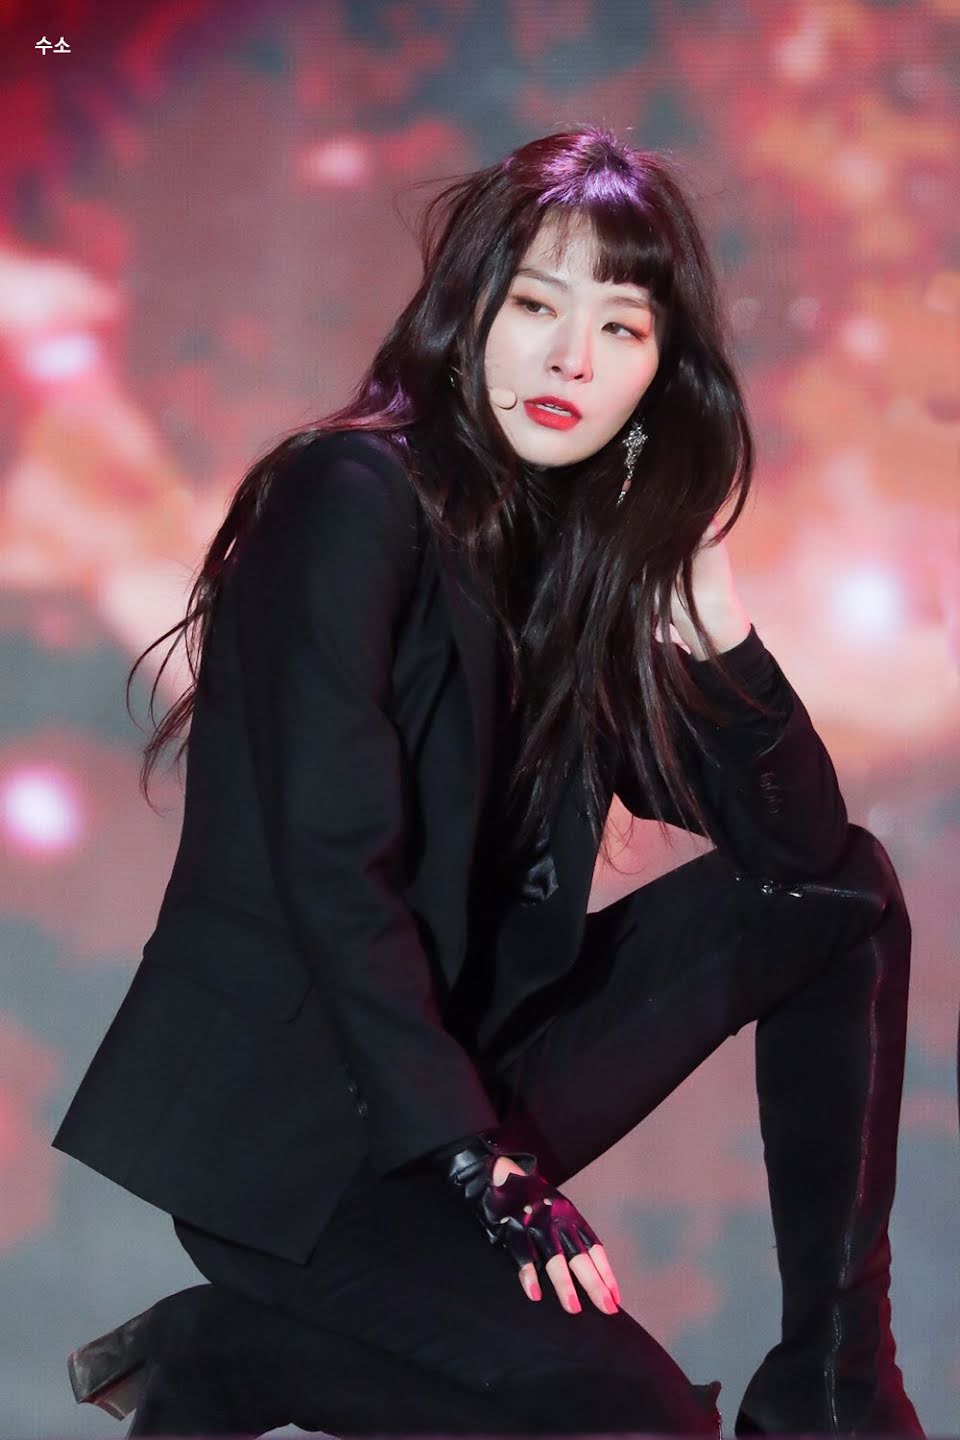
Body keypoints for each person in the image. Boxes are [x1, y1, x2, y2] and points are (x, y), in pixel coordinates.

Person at [53, 125, 923, 1437]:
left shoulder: (579, 571)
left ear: (659, 375)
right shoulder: (348, 497)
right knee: (632, 1421)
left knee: (845, 897)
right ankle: (243, 1355)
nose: (574, 358)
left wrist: (717, 617)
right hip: (310, 1130)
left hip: (474, 1072)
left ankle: (831, 1393)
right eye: (536, 306)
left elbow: (799, 852)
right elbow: (333, 874)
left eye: (622, 329)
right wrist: (480, 1168)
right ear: (469, 314)